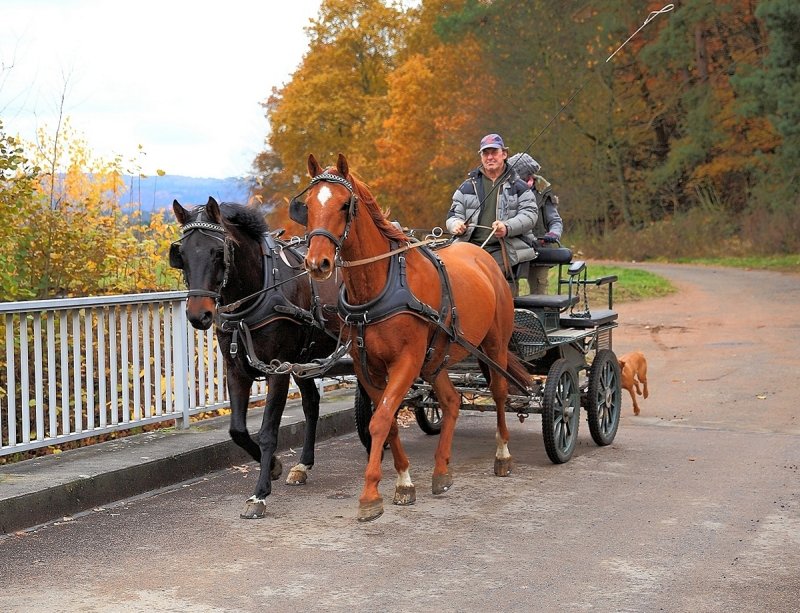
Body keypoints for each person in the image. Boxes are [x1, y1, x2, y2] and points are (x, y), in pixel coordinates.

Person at [446, 133, 538, 295]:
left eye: (494, 152)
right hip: (469, 246)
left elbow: (530, 215)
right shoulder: (466, 186)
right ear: (481, 156)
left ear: (504, 154)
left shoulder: (519, 186)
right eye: (485, 153)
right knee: (447, 272)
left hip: (503, 248)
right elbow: (453, 215)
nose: (490, 157)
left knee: (483, 278)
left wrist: (507, 227)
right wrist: (456, 225)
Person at [507, 152, 564, 294]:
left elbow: (555, 220)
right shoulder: (505, 190)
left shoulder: (542, 191)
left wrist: (553, 234)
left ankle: (539, 316)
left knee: (539, 290)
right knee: (509, 291)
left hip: (539, 247)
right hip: (513, 248)